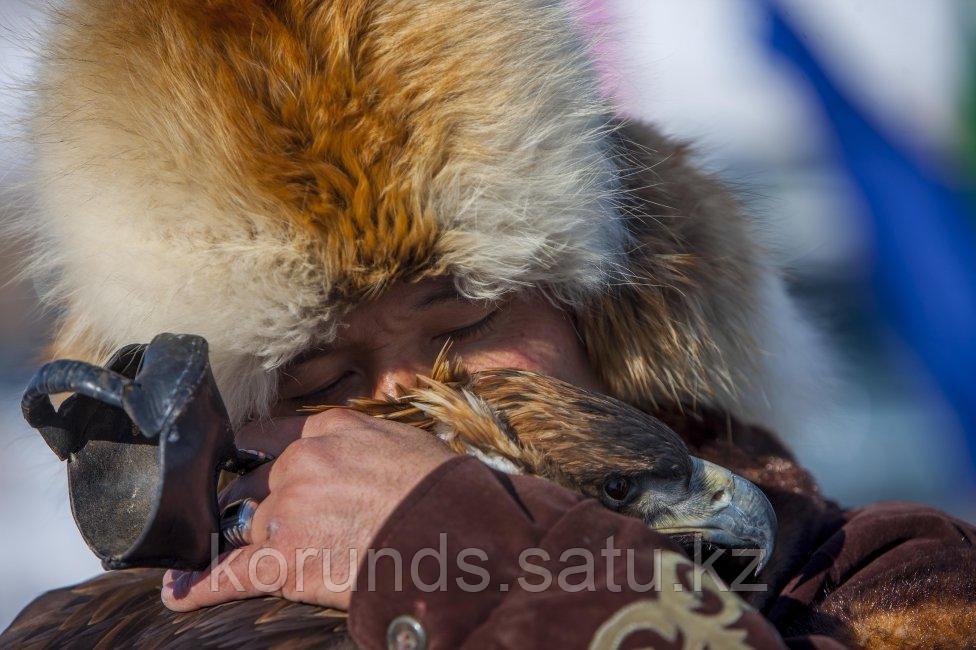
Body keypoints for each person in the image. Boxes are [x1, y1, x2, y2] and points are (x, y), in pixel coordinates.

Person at [4, 0, 974, 647]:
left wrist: (460, 549)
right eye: (316, 379)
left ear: (603, 307)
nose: (408, 395)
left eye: (463, 317)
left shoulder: (876, 579)